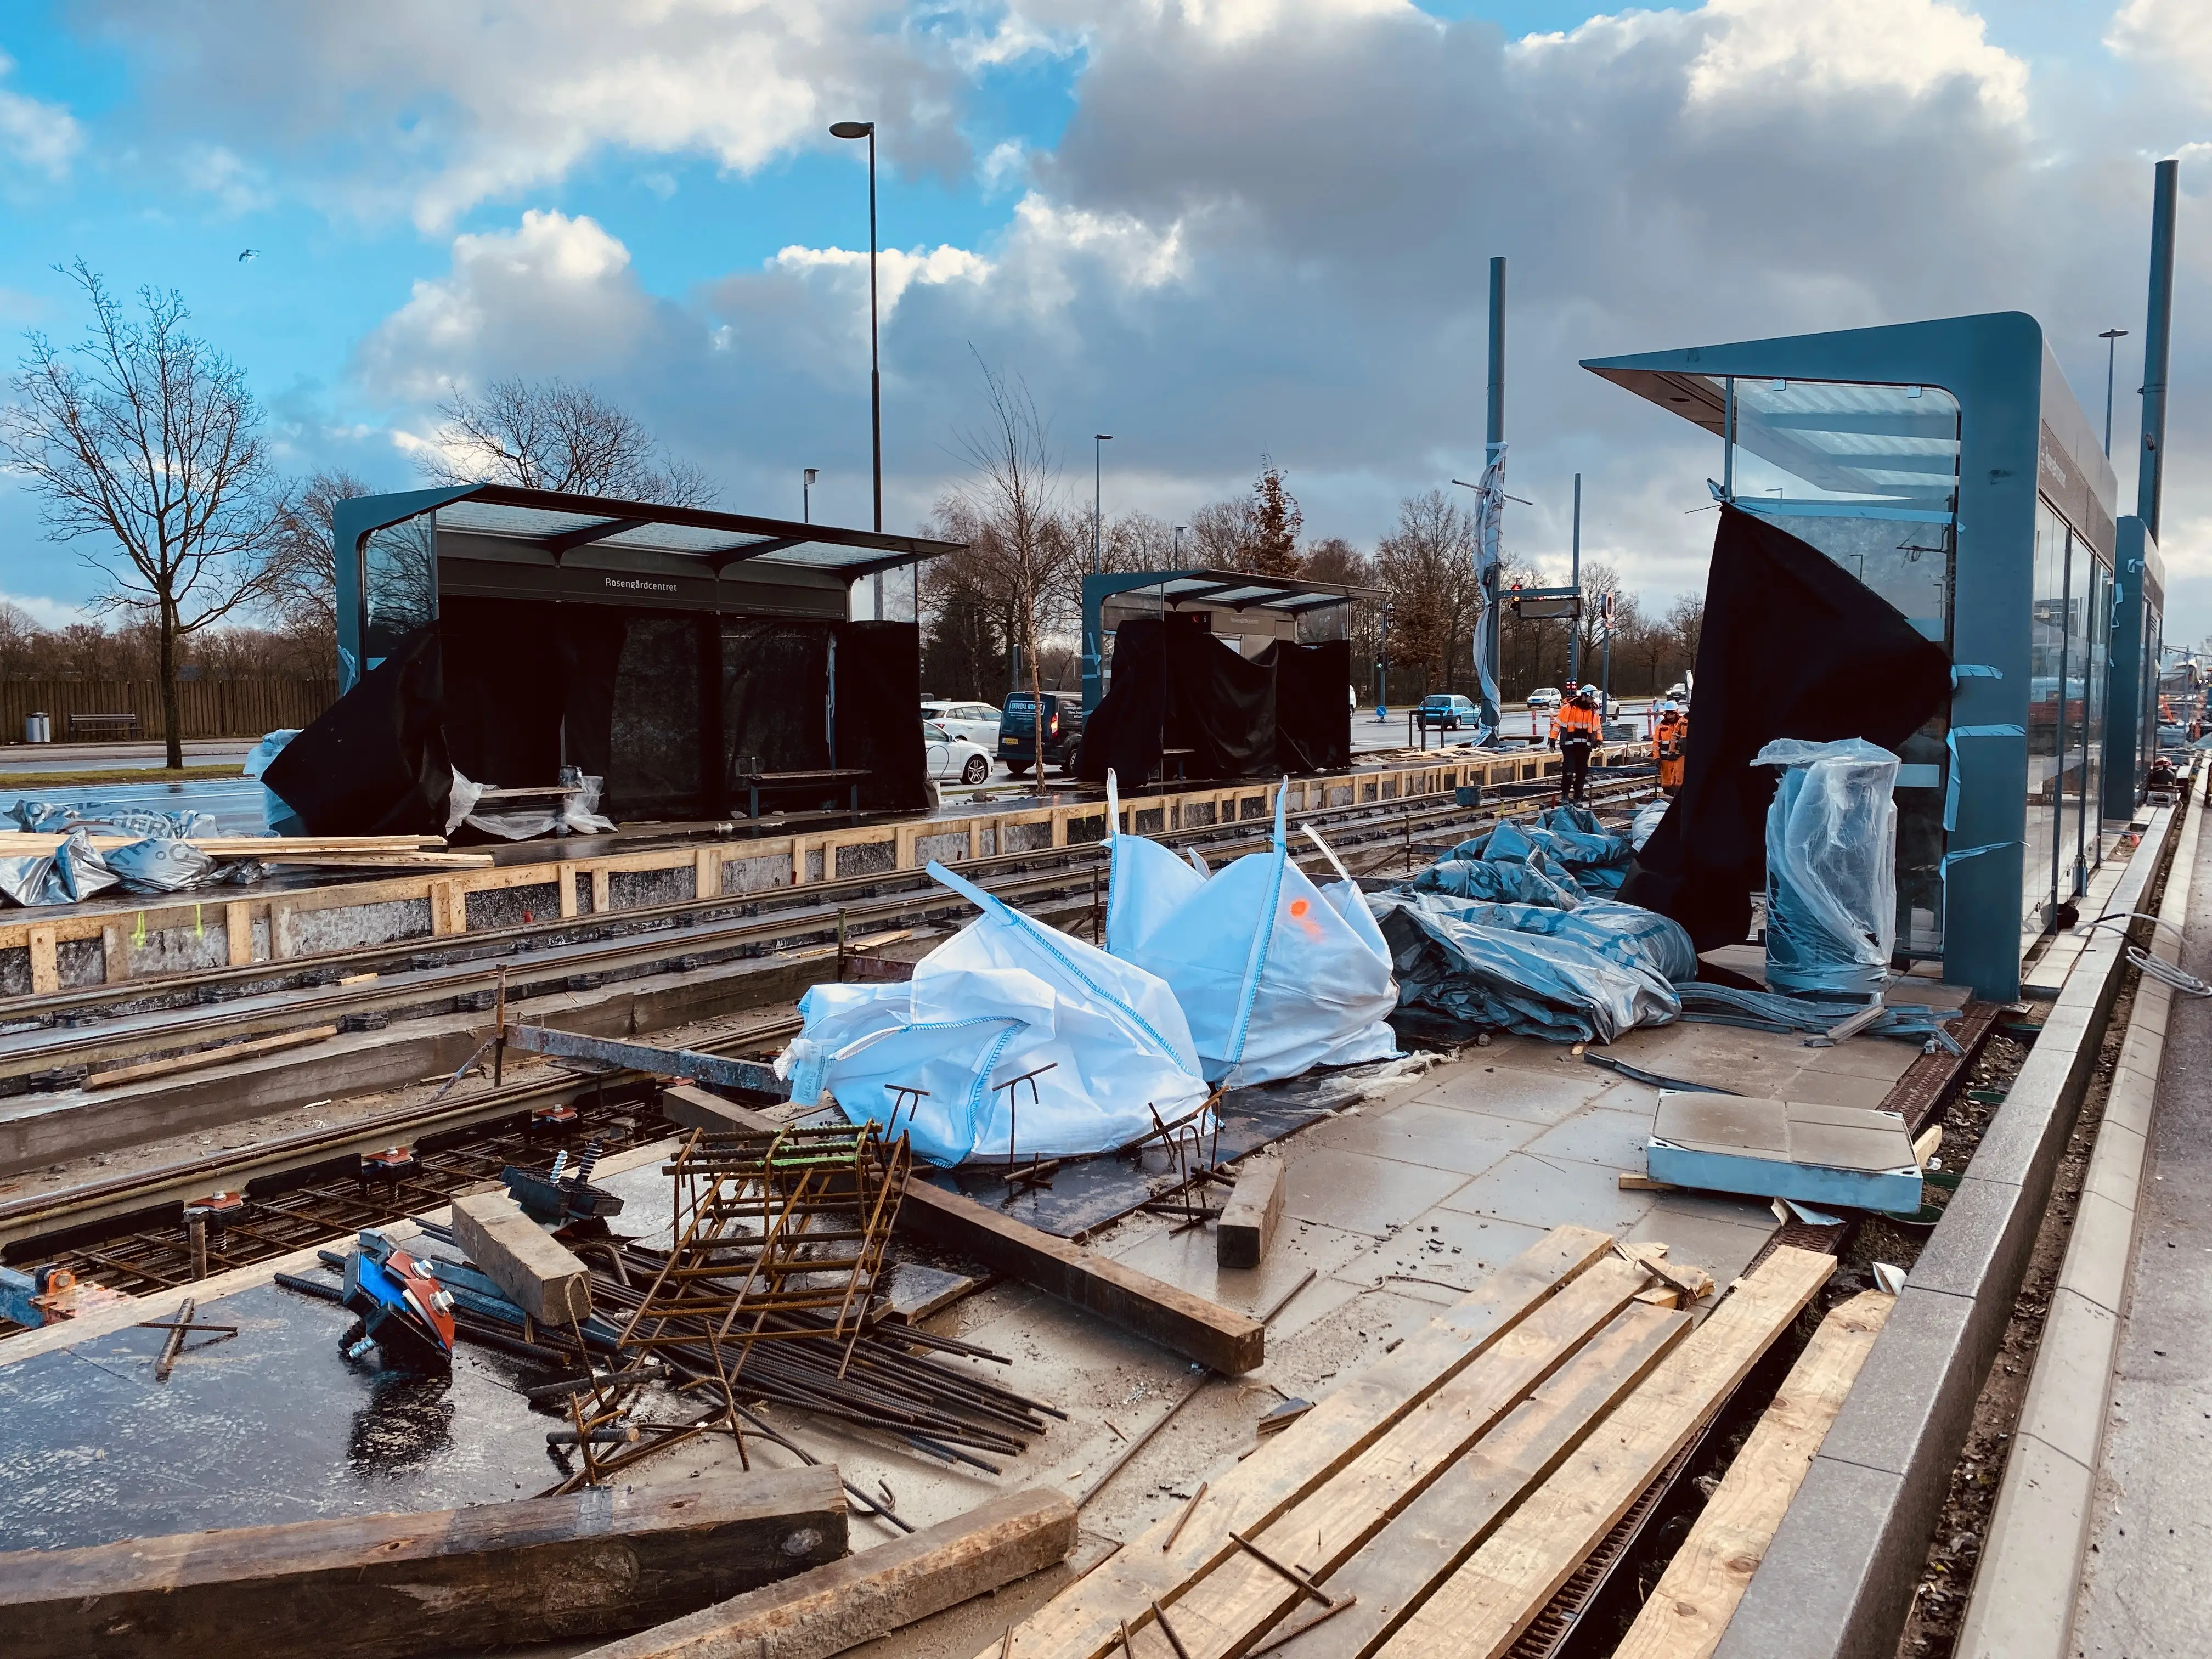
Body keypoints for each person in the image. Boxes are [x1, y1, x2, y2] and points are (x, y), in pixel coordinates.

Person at [1553, 684, 1602, 802]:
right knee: (1569, 770)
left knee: (1582, 772)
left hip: (1585, 746)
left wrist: (1599, 740)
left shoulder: (1593, 710)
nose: (1592, 700)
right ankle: (1565, 796)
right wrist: (1552, 740)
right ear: (1584, 696)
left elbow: (1597, 727)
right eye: (1591, 698)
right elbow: (1558, 724)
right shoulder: (1569, 708)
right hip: (1569, 745)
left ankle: (1578, 798)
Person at [1652, 699, 1689, 793]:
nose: (1670, 717)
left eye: (1672, 714)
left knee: (1679, 781)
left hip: (1678, 759)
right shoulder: (1660, 727)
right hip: (1665, 760)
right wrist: (1656, 758)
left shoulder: (1682, 724)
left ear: (1676, 713)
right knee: (1667, 783)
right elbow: (1656, 743)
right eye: (1668, 715)